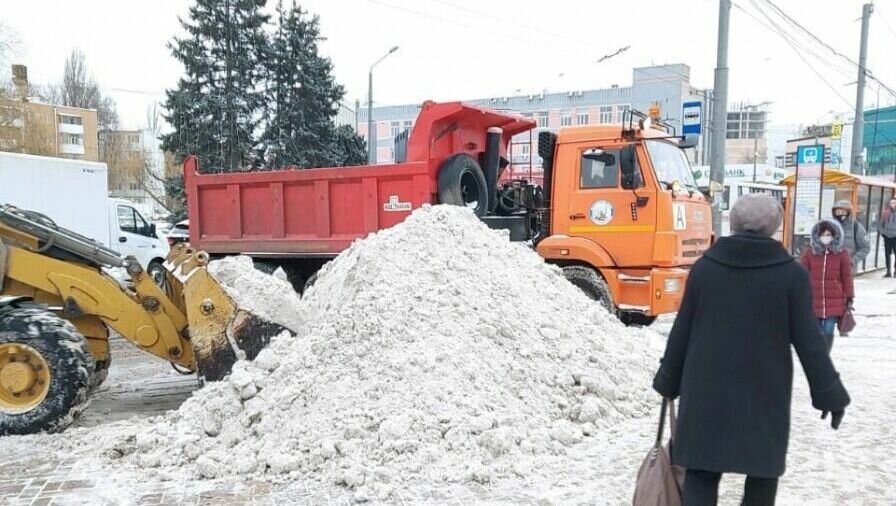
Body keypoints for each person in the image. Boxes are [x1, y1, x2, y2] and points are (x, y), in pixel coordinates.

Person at [653, 194, 850, 506]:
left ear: (733, 222)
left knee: (701, 474)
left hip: (706, 392)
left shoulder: (706, 269)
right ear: (775, 226)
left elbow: (683, 330)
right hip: (764, 396)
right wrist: (829, 393)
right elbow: (810, 342)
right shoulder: (791, 275)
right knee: (761, 478)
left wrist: (668, 380)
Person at [800, 219, 854, 350]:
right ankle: (818, 356)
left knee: (828, 330)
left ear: (834, 235)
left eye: (828, 235)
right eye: (823, 235)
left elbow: (846, 276)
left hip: (834, 299)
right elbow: (802, 273)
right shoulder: (810, 253)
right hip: (814, 298)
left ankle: (825, 356)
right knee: (816, 332)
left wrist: (849, 296)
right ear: (817, 236)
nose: (826, 237)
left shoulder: (841, 253)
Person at [832, 200, 870, 275]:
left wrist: (852, 260)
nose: (840, 214)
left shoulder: (856, 227)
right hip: (831, 267)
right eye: (837, 212)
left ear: (849, 212)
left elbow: (865, 247)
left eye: (843, 212)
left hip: (848, 269)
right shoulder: (830, 226)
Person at [879, 197, 896, 277]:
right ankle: (888, 271)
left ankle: (895, 271)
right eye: (892, 203)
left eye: (894, 203)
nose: (893, 204)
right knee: (887, 254)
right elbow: (881, 223)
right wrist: (883, 232)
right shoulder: (886, 213)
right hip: (887, 236)